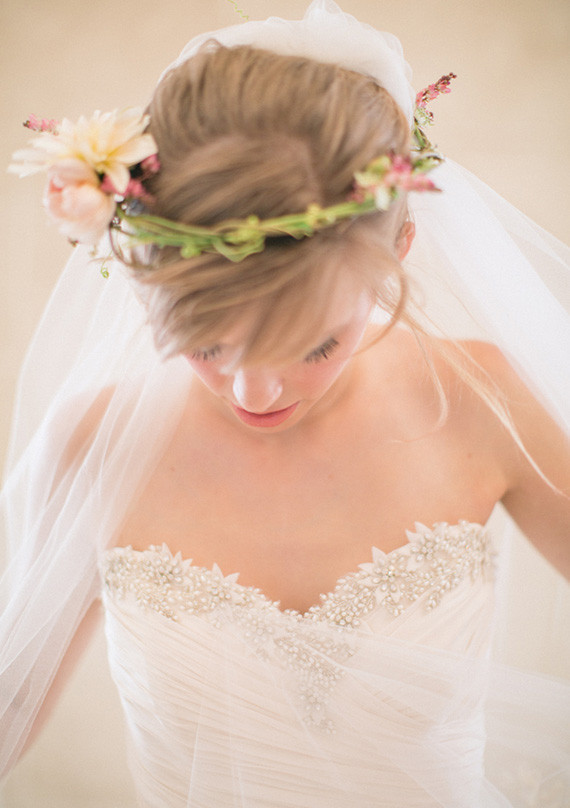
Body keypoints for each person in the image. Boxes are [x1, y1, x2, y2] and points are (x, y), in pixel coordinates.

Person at [1, 1, 569, 805]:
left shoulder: (485, 404)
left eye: (314, 346)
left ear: (396, 251)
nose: (253, 393)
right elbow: (13, 700)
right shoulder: (90, 442)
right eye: (206, 345)